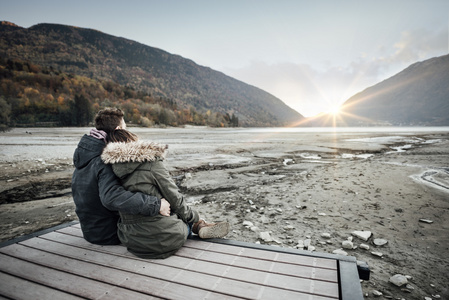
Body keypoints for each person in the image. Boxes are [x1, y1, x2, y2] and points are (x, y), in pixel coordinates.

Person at [101, 128, 230, 259]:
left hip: (131, 240)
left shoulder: (110, 171)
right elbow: (175, 198)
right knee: (179, 215)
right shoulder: (151, 163)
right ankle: (197, 224)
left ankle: (197, 224)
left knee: (161, 210)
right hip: (165, 237)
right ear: (134, 142)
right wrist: (194, 216)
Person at [72, 108, 162, 245]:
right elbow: (111, 197)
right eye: (125, 127)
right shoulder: (104, 157)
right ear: (119, 128)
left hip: (91, 230)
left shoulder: (86, 154)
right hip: (109, 233)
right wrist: (156, 204)